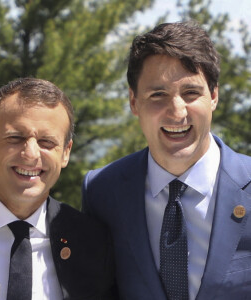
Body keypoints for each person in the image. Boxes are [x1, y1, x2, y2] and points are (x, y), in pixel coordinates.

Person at [82, 21, 251, 300]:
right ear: (134, 102)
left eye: (191, 93)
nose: (177, 111)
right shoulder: (102, 192)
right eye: (158, 94)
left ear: (214, 96)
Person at [0, 78, 117, 300]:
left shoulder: (94, 243)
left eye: (46, 142)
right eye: (15, 138)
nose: (30, 154)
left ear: (66, 152)